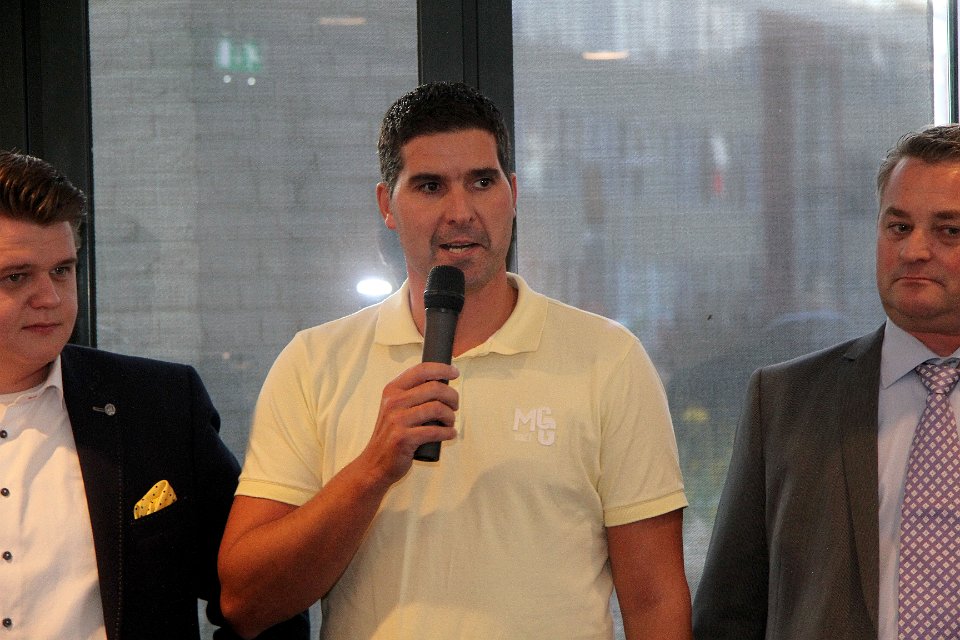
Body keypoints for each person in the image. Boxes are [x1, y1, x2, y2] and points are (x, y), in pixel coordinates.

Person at [218, 81, 691, 639]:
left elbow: (655, 601)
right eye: (430, 186)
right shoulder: (314, 363)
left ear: (513, 193)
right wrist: (372, 469)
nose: (461, 212)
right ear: (386, 205)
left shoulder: (607, 359)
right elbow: (245, 601)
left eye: (482, 182)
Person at [0, 149, 308, 639]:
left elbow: (261, 593)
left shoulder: (158, 405)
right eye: (17, 277)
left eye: (62, 270)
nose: (52, 299)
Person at [693, 123, 960, 639]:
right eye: (898, 227)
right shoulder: (784, 404)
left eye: (949, 230)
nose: (914, 251)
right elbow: (728, 614)